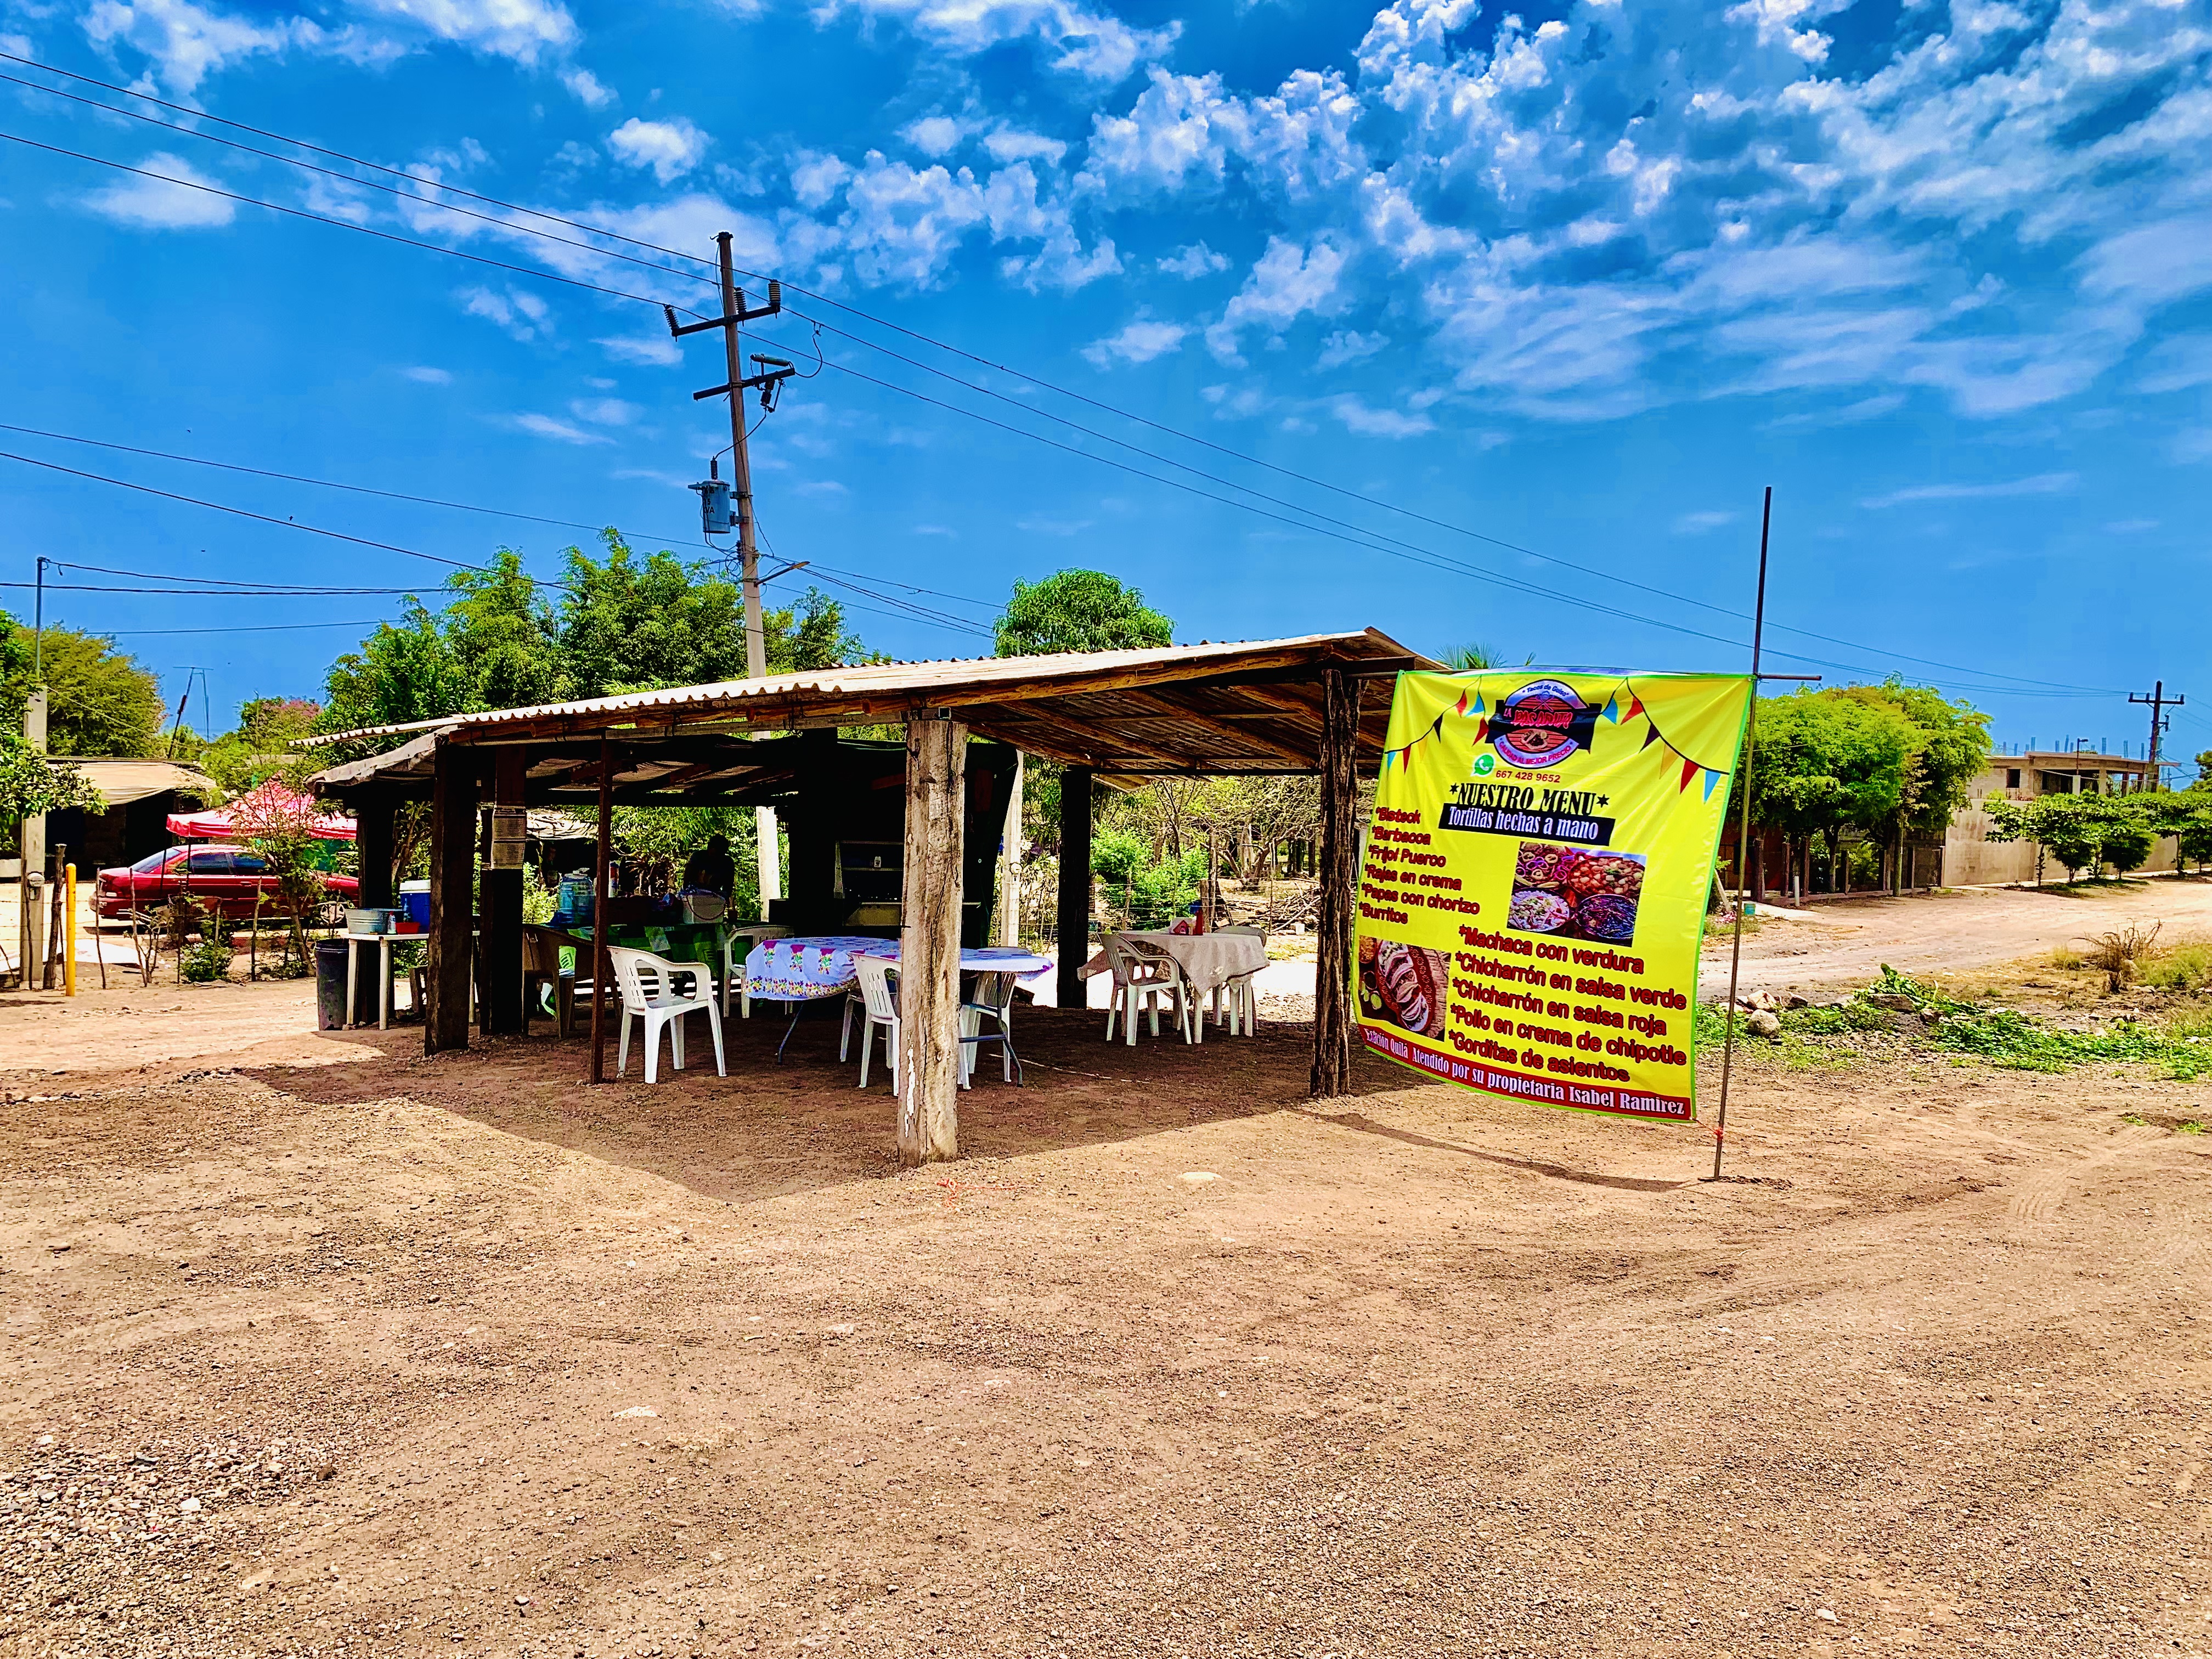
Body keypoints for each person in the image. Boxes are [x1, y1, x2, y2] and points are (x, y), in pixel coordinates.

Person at [681, 834, 735, 898]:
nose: (716, 857)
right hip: (693, 893)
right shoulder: (698, 857)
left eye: (720, 854)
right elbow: (686, 881)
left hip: (714, 896)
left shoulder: (728, 862)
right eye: (714, 854)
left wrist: (722, 899)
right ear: (709, 848)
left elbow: (728, 887)